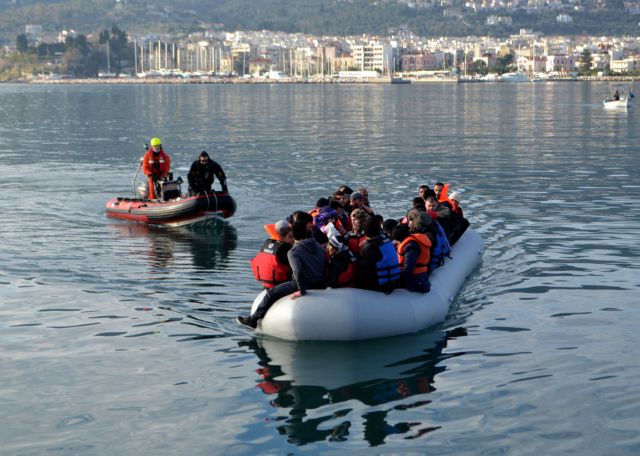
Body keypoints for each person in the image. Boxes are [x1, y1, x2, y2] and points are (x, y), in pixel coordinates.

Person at [237, 220, 327, 329]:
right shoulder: (317, 245)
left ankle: (252, 320)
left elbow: (297, 271)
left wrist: (301, 290)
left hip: (305, 284)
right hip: (321, 281)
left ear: (292, 235)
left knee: (271, 293)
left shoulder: (293, 252)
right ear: (306, 232)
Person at [355, 218, 400, 293]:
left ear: (365, 233)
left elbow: (363, 273)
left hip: (381, 286)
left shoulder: (369, 248)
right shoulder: (387, 240)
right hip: (393, 281)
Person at [394, 211, 432, 293]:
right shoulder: (420, 237)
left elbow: (408, 268)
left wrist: (395, 276)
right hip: (420, 277)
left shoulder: (412, 245)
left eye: (408, 221)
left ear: (412, 223)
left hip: (415, 281)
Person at [250, 220, 294, 289]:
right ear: (283, 236)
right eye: (290, 237)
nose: (293, 240)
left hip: (266, 284)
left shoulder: (266, 244)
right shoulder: (285, 249)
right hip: (280, 285)